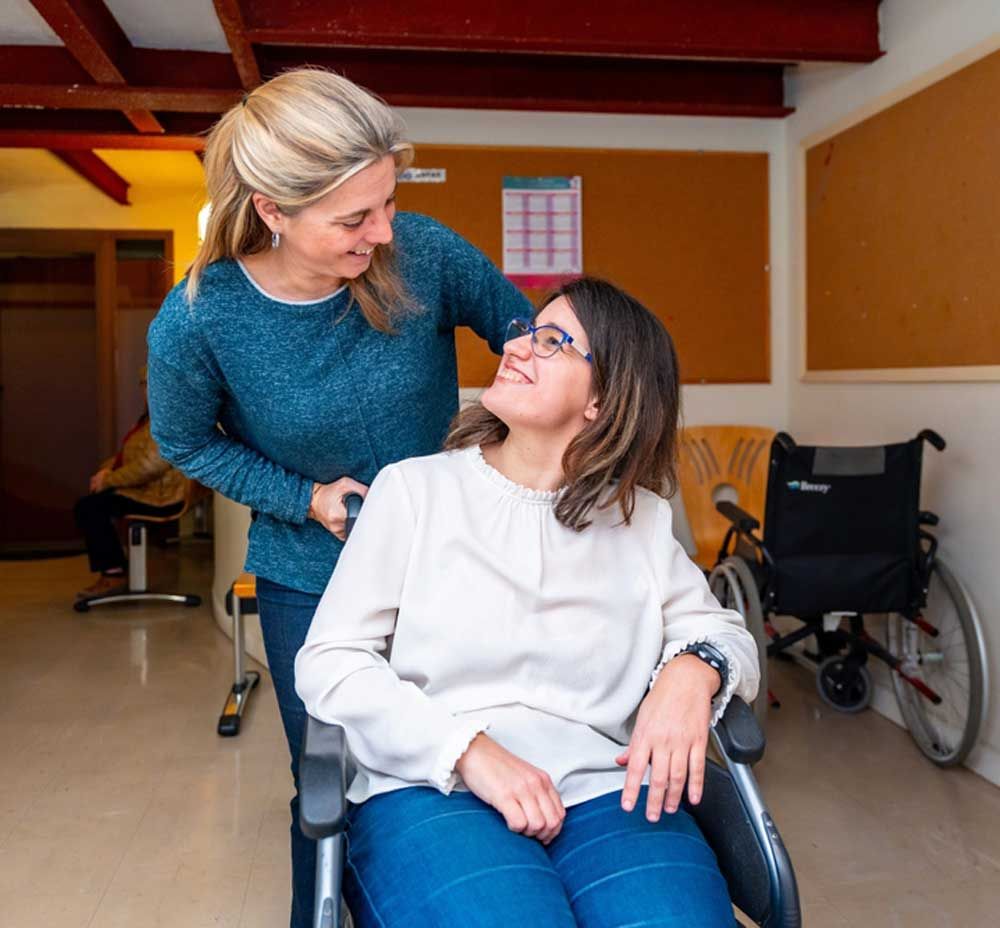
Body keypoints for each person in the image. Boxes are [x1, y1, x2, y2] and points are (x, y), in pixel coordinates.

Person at [145, 67, 531, 927]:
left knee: (460, 766)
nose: (384, 230)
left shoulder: (420, 254)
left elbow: (529, 339)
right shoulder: (199, 320)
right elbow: (185, 441)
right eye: (355, 218)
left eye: (387, 201)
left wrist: (526, 445)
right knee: (332, 782)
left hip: (453, 563)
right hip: (309, 577)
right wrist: (302, 495)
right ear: (272, 211)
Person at [295, 277, 761, 928]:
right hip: (434, 786)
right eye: (524, 332)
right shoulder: (414, 493)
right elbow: (330, 661)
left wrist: (694, 669)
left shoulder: (641, 522)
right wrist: (468, 750)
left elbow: (724, 632)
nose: (516, 348)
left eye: (552, 341)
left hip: (607, 792)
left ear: (604, 399)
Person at [74, 372, 185, 600]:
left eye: (151, 383)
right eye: (143, 384)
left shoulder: (169, 418)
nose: (146, 390)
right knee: (91, 505)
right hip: (146, 490)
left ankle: (113, 572)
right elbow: (128, 456)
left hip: (160, 497)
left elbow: (150, 466)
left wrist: (108, 480)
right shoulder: (148, 419)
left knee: (91, 508)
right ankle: (114, 569)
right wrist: (107, 471)